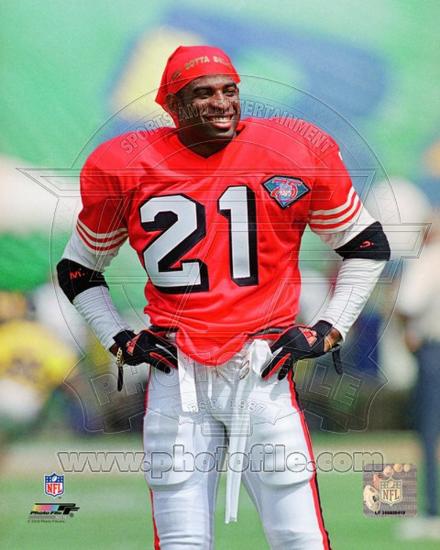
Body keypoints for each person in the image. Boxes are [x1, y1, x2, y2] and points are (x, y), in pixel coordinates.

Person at [57, 45, 390, 549]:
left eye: (229, 90)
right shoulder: (126, 164)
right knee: (181, 538)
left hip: (261, 367)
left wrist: (329, 328)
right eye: (203, 93)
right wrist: (118, 337)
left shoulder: (292, 149)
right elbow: (78, 269)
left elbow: (366, 244)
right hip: (176, 374)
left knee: (299, 536)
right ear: (172, 105)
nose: (220, 102)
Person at [396, 210, 440, 539]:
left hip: (433, 349)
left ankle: (431, 512)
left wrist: (406, 331)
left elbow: (407, 303)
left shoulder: (429, 258)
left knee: (429, 432)